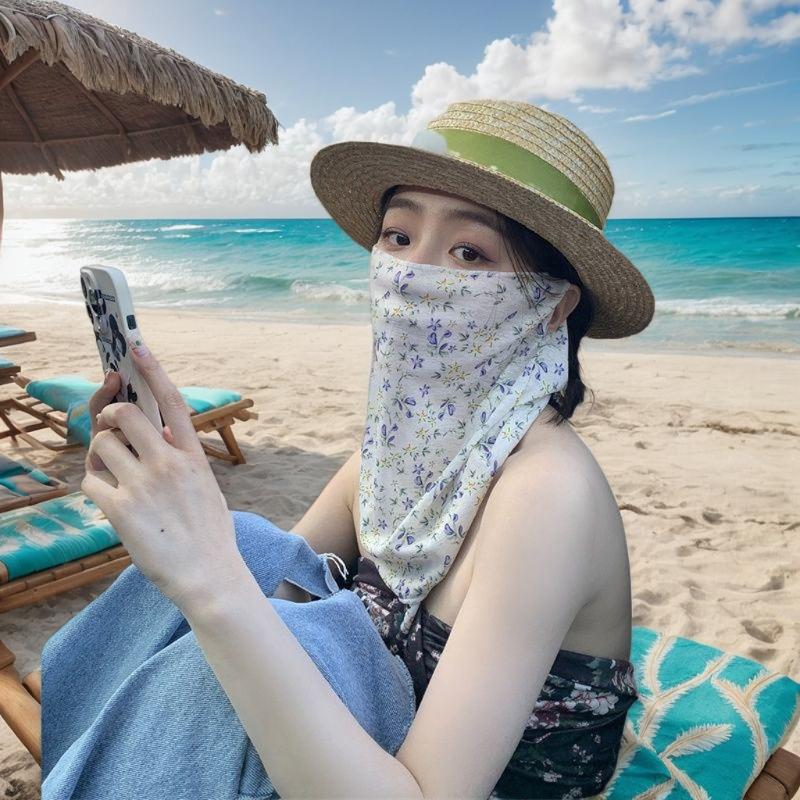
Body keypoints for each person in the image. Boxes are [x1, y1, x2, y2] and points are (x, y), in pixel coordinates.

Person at [86, 99, 655, 799]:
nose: (412, 274)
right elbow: (279, 583)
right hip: (365, 746)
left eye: (469, 253)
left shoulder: (547, 495)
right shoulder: (402, 453)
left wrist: (209, 583)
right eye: (398, 236)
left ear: (554, 305)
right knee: (245, 546)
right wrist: (176, 508)